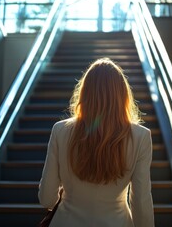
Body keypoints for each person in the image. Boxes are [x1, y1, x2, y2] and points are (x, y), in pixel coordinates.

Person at [38, 58, 154, 227]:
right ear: (122, 95)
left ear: (84, 93)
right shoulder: (140, 136)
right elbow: (141, 203)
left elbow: (47, 199)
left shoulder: (60, 130)